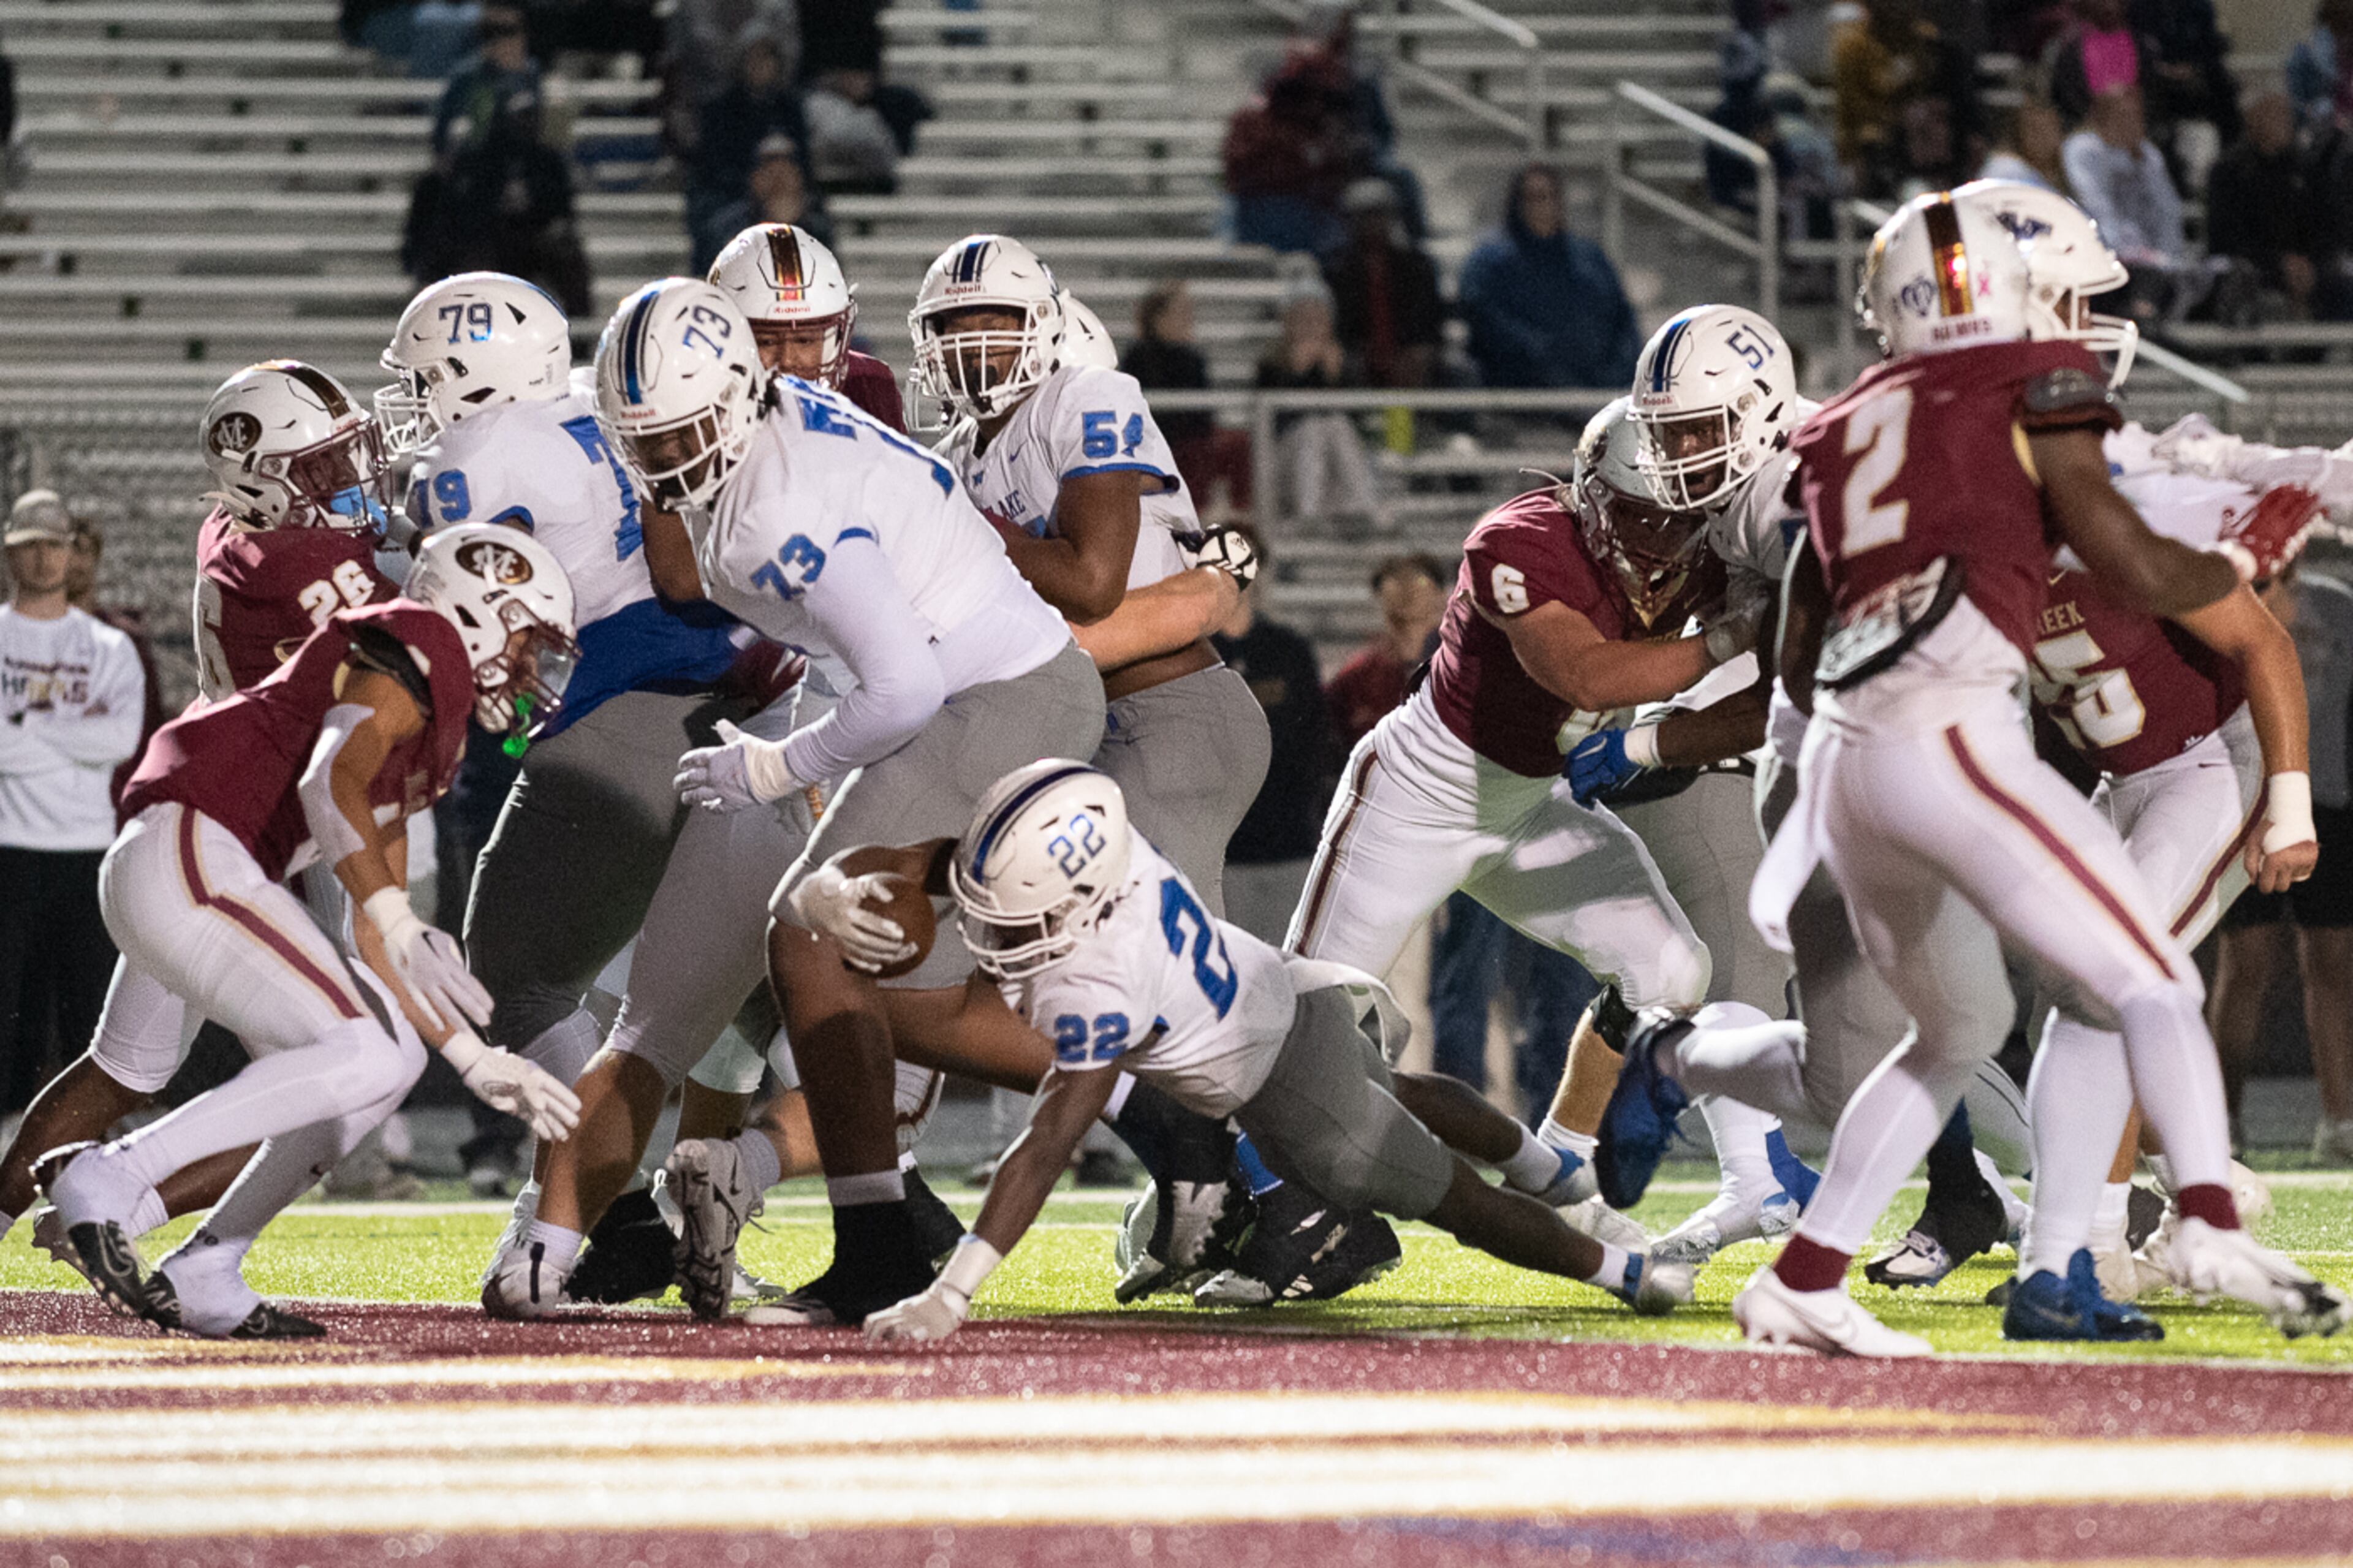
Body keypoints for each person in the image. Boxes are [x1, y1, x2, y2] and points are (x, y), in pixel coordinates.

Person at [1734, 191, 2344, 1355]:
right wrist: (2238, 547)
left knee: (1966, 1029)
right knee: (2141, 982)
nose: (2078, 325)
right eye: (2063, 296)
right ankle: (2198, 1220)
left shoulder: (1847, 425)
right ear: (1997, 298)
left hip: (1854, 764)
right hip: (1954, 741)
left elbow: (1800, 654)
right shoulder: (2027, 404)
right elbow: (2132, 556)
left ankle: (1827, 1274)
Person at [587, 278, 1109, 1327]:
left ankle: (877, 1243)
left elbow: (902, 684)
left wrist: (774, 767)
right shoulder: (773, 434)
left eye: (685, 432)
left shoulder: (773, 500)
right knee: (889, 977)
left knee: (811, 929)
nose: (668, 460)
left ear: (737, 395)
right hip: (985, 687)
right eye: (644, 440)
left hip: (991, 694)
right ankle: (1155, 1069)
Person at [808, 762, 1693, 1344]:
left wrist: (952, 1291)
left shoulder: (1097, 979)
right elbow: (955, 865)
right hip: (1291, 986)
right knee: (1400, 1086)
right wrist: (836, 879)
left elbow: (1045, 1141)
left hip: (1287, 1094)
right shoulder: (1112, 858)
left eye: (1015, 920)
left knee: (1453, 1197)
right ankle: (1551, 1170)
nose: (991, 930)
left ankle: (1622, 1271)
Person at [40, 525, 583, 1339]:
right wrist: (401, 922)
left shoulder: (424, 728)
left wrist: (474, 1059)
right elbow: (329, 780)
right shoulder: (418, 635)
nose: (532, 670)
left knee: (392, 1055)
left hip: (199, 865)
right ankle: (112, 1177)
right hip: (192, 840)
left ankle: (208, 1264)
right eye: (527, 642)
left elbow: (372, 924)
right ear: (475, 615)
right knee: (360, 1048)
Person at [0, 364, 406, 1254]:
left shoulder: (240, 530)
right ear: (264, 478)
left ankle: (39, 1205)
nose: (348, 485)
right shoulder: (291, 563)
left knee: (123, 1065)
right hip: (237, 844)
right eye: (324, 470)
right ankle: (125, 1200)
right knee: (348, 1068)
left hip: (208, 826)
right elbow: (405, 630)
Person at [916, 234, 1270, 920]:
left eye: (993, 322)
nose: (969, 342)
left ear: (1043, 327)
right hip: (1059, 724)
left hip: (1165, 713)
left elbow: (1092, 582)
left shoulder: (1088, 395)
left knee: (1154, 961)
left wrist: (968, 536)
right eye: (952, 325)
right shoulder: (953, 455)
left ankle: (1324, 1024)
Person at [0, 491, 144, 1118]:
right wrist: (68, 731)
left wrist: (24, 725)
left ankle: (86, 1136)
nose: (44, 557)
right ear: (10, 551)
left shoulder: (108, 648)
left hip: (86, 845)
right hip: (8, 845)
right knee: (10, 1009)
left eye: (55, 544)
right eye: (30, 544)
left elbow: (117, 740)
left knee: (86, 1003)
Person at [2210, 562, 2353, 1164]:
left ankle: (2340, 1123)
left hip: (2331, 803)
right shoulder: (2220, 586)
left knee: (2334, 966)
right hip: (2250, 802)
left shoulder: (2339, 602)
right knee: (2245, 967)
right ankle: (2219, 1124)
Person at [1208, 529, 1332, 947]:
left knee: (1289, 974)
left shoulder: (1289, 649)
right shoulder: (1189, 653)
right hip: (1221, 848)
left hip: (1289, 841)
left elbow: (1314, 738)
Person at [1458, 164, 1642, 392]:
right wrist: (1544, 354)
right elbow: (1487, 320)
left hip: (1600, 380)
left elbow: (1622, 317)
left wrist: (1622, 367)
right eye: (1532, 198)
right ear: (1517, 203)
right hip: (1526, 385)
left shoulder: (1588, 258)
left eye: (1549, 197)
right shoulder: (1490, 263)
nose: (1542, 206)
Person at [1253, 269, 1381, 534]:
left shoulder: (1345, 362)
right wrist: (1297, 373)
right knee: (1313, 428)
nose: (1311, 326)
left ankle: (1361, 508)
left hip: (1333, 462)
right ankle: (1308, 514)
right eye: (1303, 318)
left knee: (1335, 424)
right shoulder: (1270, 364)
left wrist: (1335, 378)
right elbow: (1271, 422)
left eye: (1317, 318)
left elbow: (1359, 420)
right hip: (1285, 461)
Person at [686, 29, 813, 274]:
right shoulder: (720, 110)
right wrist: (753, 182)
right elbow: (712, 165)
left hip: (783, 194)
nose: (760, 68)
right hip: (731, 194)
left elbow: (804, 163)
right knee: (719, 229)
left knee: (814, 225)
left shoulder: (789, 108)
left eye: (767, 60)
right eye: (754, 60)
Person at [1123, 282, 1253, 520]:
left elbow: (1203, 413)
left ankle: (1241, 515)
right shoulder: (1138, 357)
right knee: (1191, 451)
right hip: (1158, 439)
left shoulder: (1193, 357)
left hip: (1193, 438)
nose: (1187, 319)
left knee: (1234, 443)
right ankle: (1190, 514)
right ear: (1158, 318)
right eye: (1180, 312)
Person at [1221, 43, 1358, 256]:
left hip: (1307, 208)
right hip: (1257, 205)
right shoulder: (1250, 120)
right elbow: (1236, 169)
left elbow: (1330, 170)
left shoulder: (1317, 123)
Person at [1322, 553, 1447, 763]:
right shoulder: (1356, 678)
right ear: (1379, 597)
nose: (1406, 589)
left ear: (1441, 594)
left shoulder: (1469, 668)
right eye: (1396, 580)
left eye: (1416, 578)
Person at [2205, 93, 2320, 318]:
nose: (2285, 122)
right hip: (2252, 265)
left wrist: (2307, 261)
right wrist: (2278, 263)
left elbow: (2318, 226)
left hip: (2304, 266)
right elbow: (2224, 239)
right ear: (2253, 119)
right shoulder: (2229, 171)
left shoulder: (2302, 169)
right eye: (2275, 114)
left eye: (2286, 114)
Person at [1321, 180, 1443, 390]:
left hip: (1408, 352)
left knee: (1452, 369)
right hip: (1357, 353)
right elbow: (1336, 326)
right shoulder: (1335, 271)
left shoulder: (1418, 266)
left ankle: (1414, 423)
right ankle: (1363, 422)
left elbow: (1429, 321)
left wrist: (1417, 349)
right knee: (1347, 366)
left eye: (1380, 214)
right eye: (1365, 215)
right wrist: (1365, 351)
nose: (1373, 223)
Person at [2061, 85, 2186, 278]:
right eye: (2122, 116)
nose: (2132, 123)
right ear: (2101, 118)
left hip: (2154, 261)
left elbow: (2168, 210)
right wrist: (2123, 254)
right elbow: (2097, 209)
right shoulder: (2083, 150)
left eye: (2136, 115)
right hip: (2107, 257)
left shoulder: (2149, 155)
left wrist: (2168, 258)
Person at [692, 134, 834, 275]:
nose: (778, 181)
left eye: (785, 171)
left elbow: (829, 278)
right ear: (754, 178)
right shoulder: (727, 227)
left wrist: (791, 223)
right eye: (770, 172)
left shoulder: (817, 227)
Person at [1978, 98, 2071, 192]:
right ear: (2020, 133)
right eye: (2036, 131)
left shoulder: (2058, 170)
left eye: (2053, 129)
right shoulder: (2007, 168)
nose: (2046, 139)